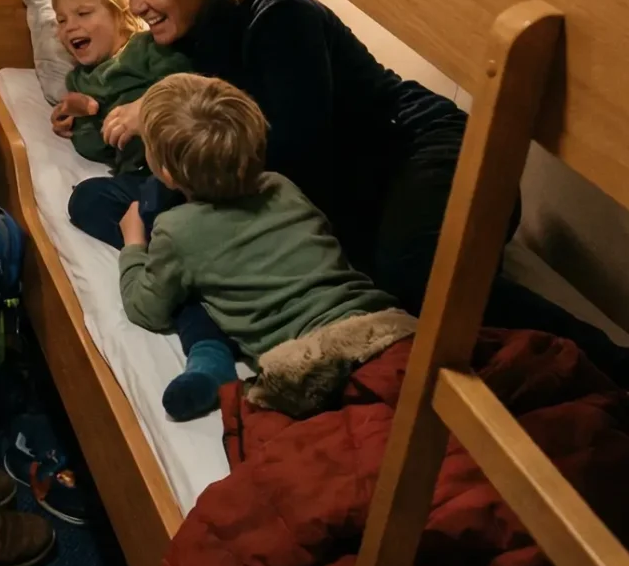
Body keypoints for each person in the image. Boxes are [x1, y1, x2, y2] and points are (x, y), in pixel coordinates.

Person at [95, 0, 629, 387]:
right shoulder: (191, 41)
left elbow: (292, 147)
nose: (138, 5)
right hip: (363, 176)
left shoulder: (278, 16)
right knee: (365, 276)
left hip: (427, 147)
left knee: (413, 276)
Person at [119, 73, 414, 416]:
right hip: (386, 325)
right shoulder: (281, 186)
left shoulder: (175, 229)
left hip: (317, 362)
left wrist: (133, 243)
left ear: (167, 173)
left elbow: (146, 309)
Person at [41, 0, 237, 418]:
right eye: (61, 20)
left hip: (185, 169)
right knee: (87, 198)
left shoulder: (148, 52)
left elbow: (187, 90)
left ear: (121, 14)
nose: (70, 26)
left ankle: (206, 337)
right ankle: (208, 347)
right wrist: (82, 112)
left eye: (83, 13)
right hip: (146, 182)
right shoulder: (78, 80)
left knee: (165, 241)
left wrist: (139, 108)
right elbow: (99, 150)